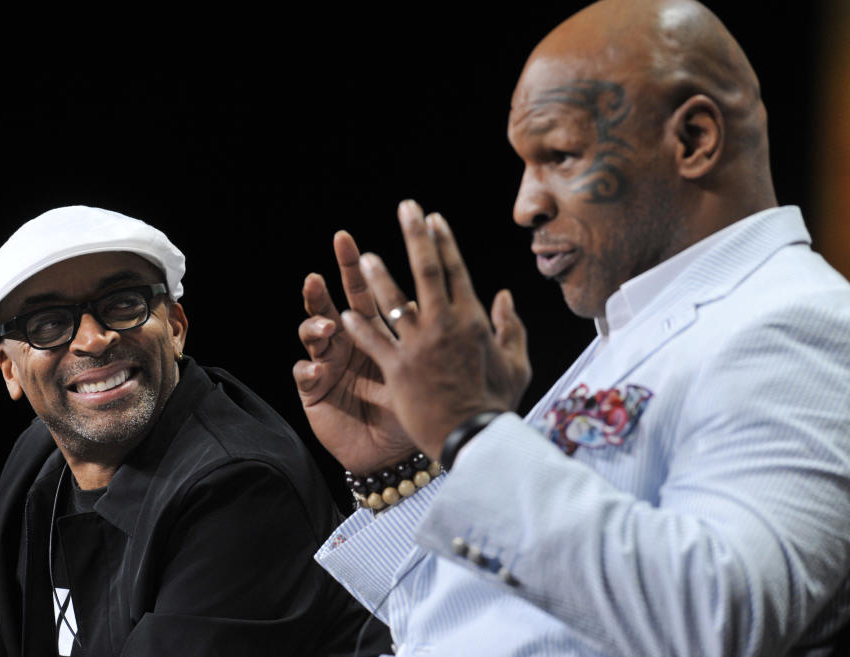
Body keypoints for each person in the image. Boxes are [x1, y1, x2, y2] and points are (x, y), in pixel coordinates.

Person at [292, 1, 850, 655]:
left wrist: (470, 429)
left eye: (559, 155)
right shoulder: (641, 322)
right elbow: (496, 622)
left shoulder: (796, 323)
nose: (524, 205)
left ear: (694, 139)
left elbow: (720, 615)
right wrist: (401, 468)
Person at [0, 205, 390, 657]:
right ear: (9, 370)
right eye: (48, 323)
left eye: (122, 303)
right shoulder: (34, 463)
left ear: (174, 327)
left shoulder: (240, 485)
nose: (93, 339)